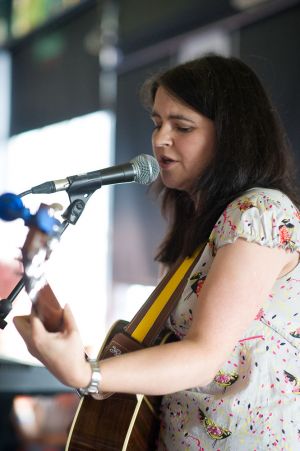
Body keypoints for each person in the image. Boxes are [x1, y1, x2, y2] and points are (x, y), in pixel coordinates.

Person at [14, 54, 300, 450]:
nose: (160, 138)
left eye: (181, 126)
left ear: (232, 136)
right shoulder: (203, 225)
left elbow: (203, 356)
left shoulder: (260, 212)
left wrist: (89, 374)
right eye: (156, 123)